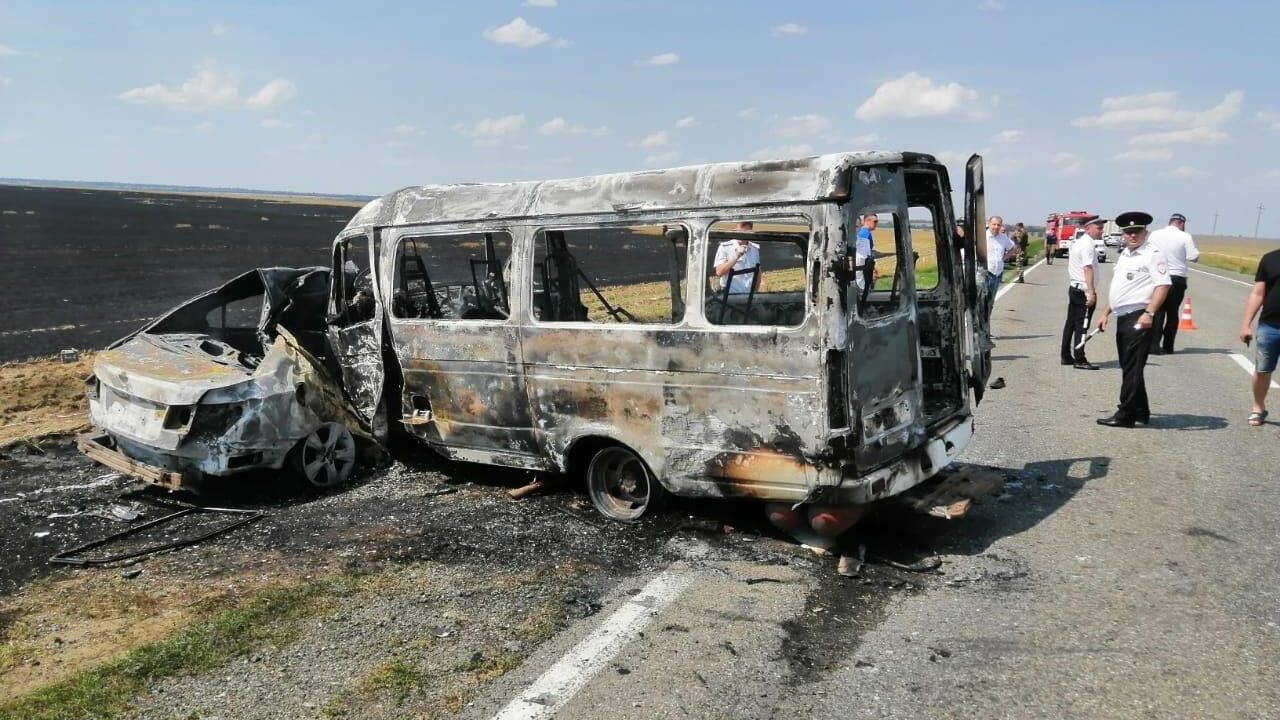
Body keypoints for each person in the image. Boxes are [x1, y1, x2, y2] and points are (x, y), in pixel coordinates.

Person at [1094, 211, 1172, 427]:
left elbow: (1163, 285)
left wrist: (1150, 313)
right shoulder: (1126, 254)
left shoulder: (1152, 254)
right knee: (1130, 365)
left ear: (1145, 231)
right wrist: (1104, 313)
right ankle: (1141, 410)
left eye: (1136, 232)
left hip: (1140, 316)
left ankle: (1125, 414)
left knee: (1132, 367)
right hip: (1123, 315)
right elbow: (1121, 288)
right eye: (1128, 232)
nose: (1132, 236)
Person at [1146, 212, 1200, 354]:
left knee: (1157, 310)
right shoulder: (1185, 236)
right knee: (1172, 312)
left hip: (1158, 275)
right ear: (1181, 223)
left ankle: (1154, 345)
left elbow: (1148, 252)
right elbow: (1192, 256)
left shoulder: (1155, 234)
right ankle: (1168, 346)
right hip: (1177, 277)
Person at [1238, 247, 1280, 426]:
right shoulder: (1270, 259)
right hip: (1270, 325)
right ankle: (1258, 407)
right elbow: (1258, 293)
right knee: (1263, 370)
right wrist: (1246, 324)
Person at [1062, 216, 1104, 369]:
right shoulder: (1086, 245)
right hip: (1083, 291)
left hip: (1075, 287)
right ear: (1088, 228)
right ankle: (1079, 358)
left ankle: (1066, 355)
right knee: (1082, 325)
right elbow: (1087, 268)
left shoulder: (1079, 243)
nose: (1101, 231)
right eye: (1098, 228)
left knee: (1071, 323)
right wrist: (1091, 292)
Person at [982, 216, 1017, 322]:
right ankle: (978, 327)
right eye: (994, 224)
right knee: (981, 301)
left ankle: (986, 326)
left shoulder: (1003, 238)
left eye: (998, 225)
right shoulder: (982, 236)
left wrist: (1005, 258)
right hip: (985, 273)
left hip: (997, 274)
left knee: (990, 302)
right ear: (988, 224)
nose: (996, 227)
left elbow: (1013, 248)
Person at [713, 221, 761, 294]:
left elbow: (758, 273)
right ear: (735, 230)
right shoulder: (725, 247)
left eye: (746, 232)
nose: (743, 235)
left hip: (749, 296)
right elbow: (719, 272)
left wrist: (755, 292)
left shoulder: (754, 249)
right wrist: (736, 256)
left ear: (751, 232)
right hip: (729, 297)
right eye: (740, 231)